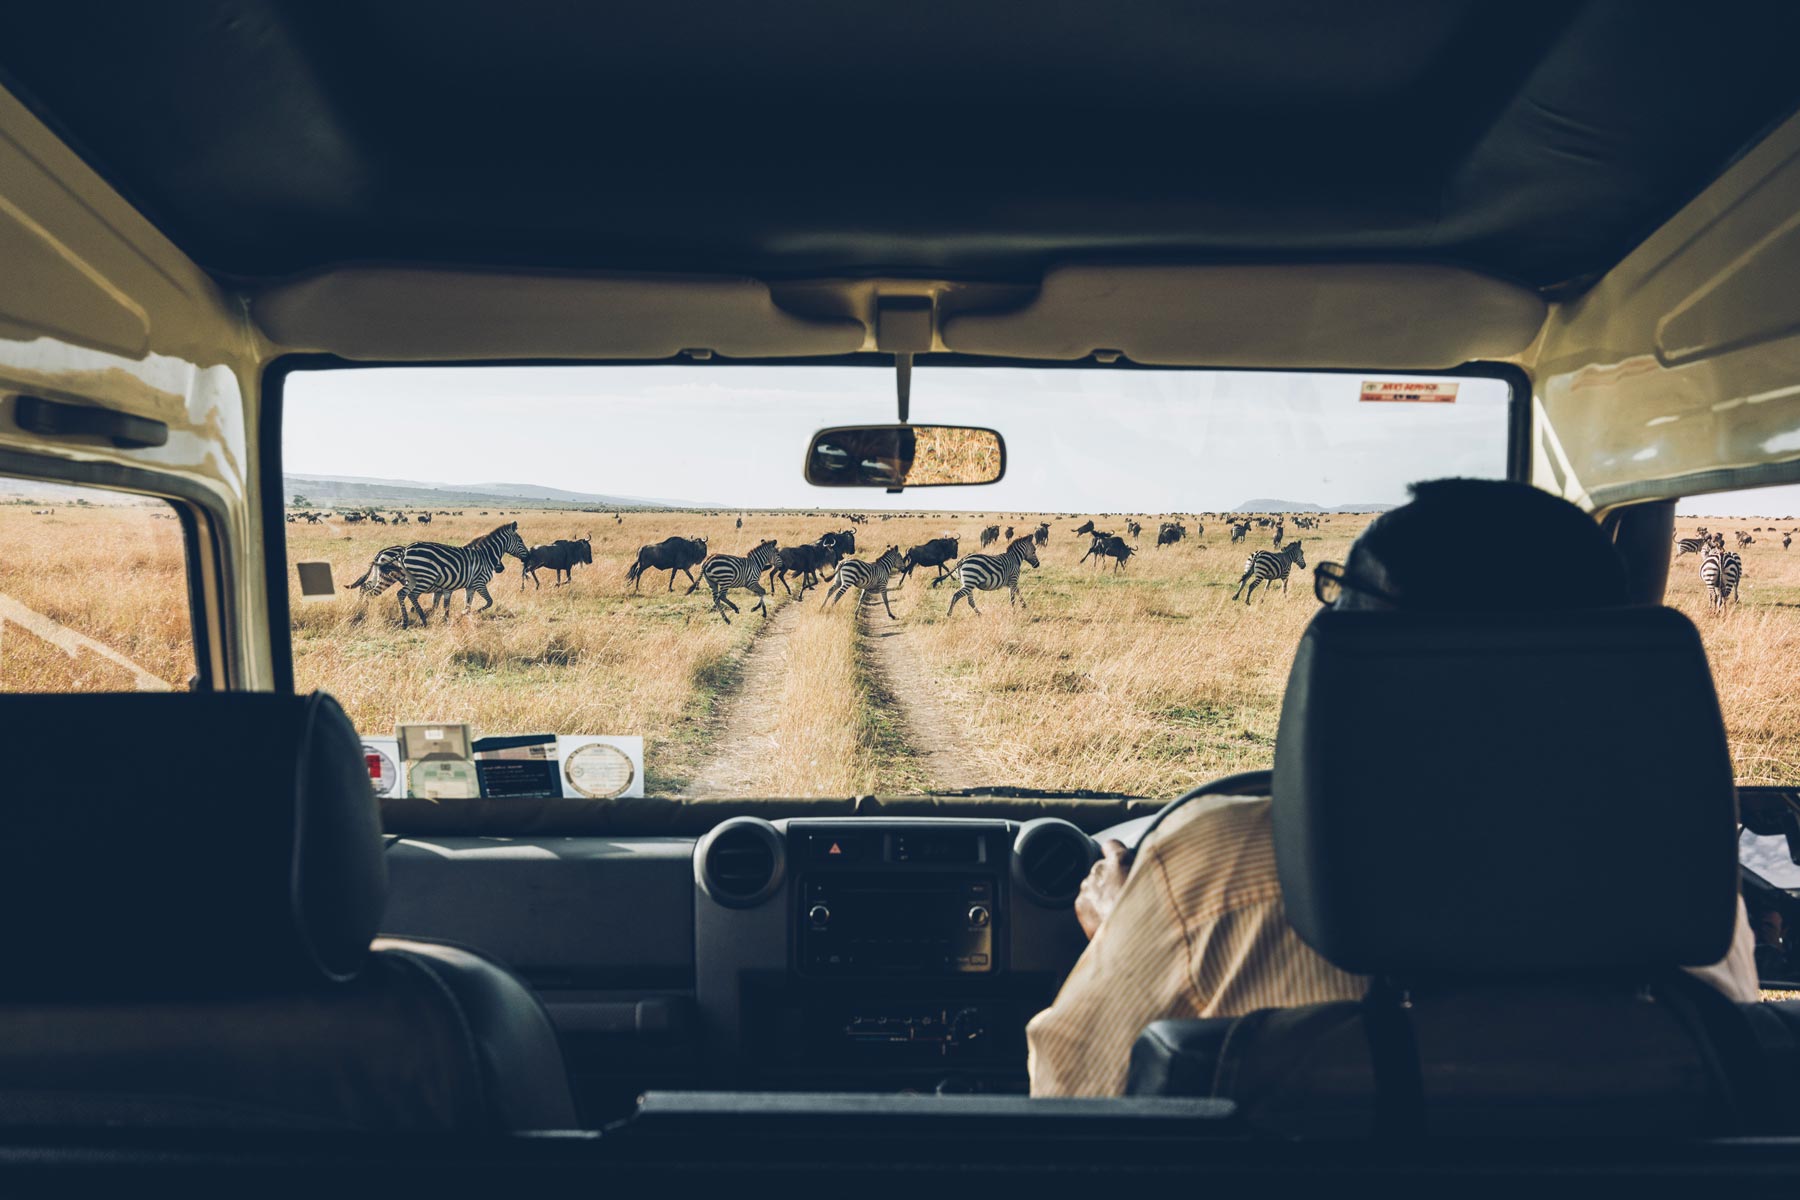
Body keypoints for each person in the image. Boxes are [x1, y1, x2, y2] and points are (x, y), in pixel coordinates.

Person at [1026, 478, 1760, 1097]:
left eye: (1341, 594)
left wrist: (1123, 930)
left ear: (1377, 640)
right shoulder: (1686, 882)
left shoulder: (1213, 875)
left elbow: (1066, 1106)